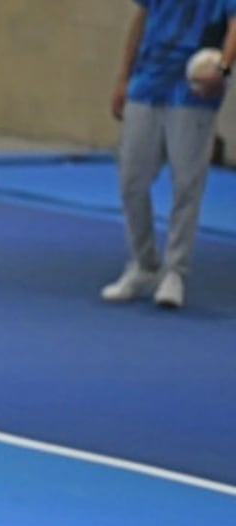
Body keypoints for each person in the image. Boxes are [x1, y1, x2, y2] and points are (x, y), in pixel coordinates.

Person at [101, 0, 235, 309]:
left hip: (192, 91)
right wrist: (123, 77)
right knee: (131, 179)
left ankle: (175, 272)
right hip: (146, 84)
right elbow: (141, 19)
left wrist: (224, 69)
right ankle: (143, 265)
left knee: (187, 184)